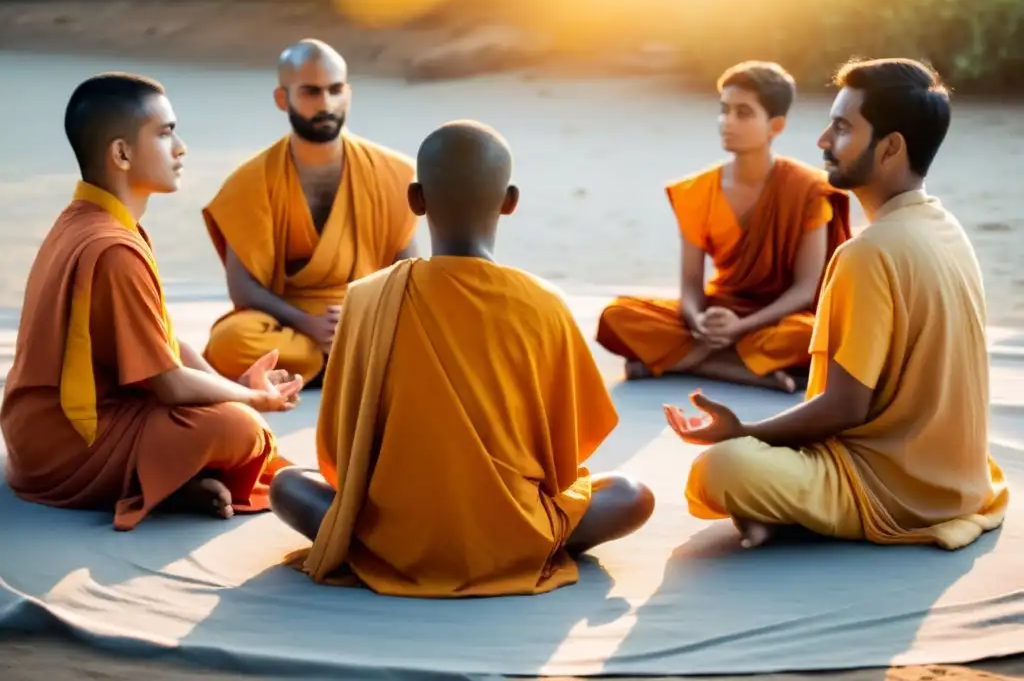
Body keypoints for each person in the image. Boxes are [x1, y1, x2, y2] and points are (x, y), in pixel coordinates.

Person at [269, 120, 655, 597]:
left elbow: (342, 451)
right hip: (514, 531)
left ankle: (392, 542)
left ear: (415, 199)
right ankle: (517, 546)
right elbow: (563, 456)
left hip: (391, 536)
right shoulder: (544, 302)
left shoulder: (368, 297)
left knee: (286, 484)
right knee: (633, 496)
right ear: (510, 201)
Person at [667, 57, 1009, 551]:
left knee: (720, 467)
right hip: (962, 478)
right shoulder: (945, 226)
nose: (822, 141)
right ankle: (776, 511)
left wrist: (744, 431)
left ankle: (781, 513)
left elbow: (845, 407)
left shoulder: (866, 253)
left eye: (842, 128)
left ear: (891, 147)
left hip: (893, 489)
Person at [0, 73, 303, 531]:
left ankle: (171, 479)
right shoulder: (113, 247)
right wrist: (253, 398)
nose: (180, 148)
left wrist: (228, 384)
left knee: (229, 413)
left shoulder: (90, 221)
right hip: (67, 446)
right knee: (242, 430)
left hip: (39, 430)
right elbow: (171, 386)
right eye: (164, 134)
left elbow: (162, 342)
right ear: (121, 153)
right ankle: (157, 482)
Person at [597, 61, 851, 392]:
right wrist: (698, 321)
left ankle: (684, 361)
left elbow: (806, 289)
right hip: (719, 312)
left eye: (743, 113)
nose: (727, 122)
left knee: (815, 335)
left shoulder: (807, 190)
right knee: (617, 315)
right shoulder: (698, 190)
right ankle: (735, 369)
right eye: (724, 110)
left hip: (775, 320)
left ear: (775, 126)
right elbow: (690, 287)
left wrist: (742, 326)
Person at [201, 39, 419, 385]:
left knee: (434, 329)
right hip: (290, 323)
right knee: (231, 343)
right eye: (311, 92)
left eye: (335, 90)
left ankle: (322, 365)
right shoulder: (250, 181)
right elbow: (243, 288)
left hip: (366, 317)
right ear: (282, 98)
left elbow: (407, 274)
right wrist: (308, 323)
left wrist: (362, 315)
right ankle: (347, 364)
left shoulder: (393, 173)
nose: (326, 104)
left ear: (348, 93)